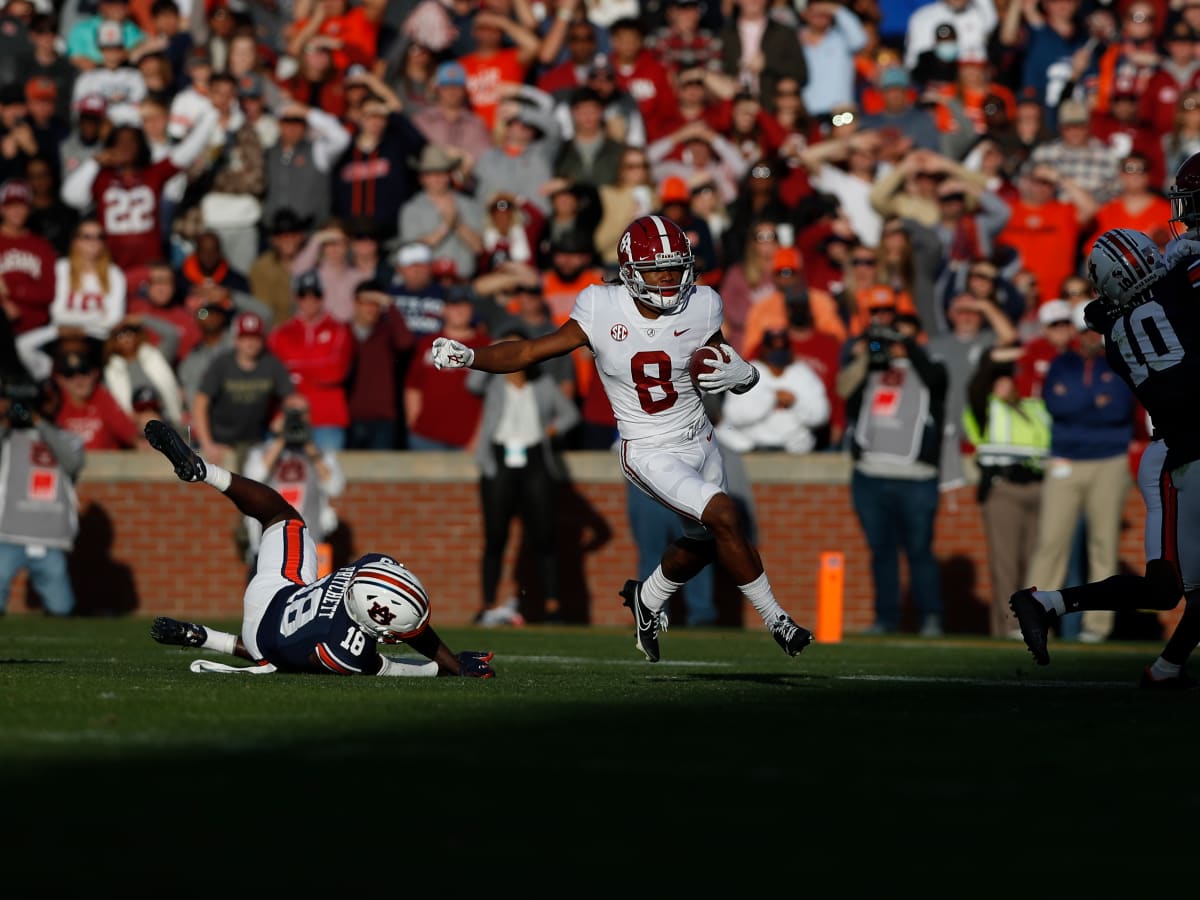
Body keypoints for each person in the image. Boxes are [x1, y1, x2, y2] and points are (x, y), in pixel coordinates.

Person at [431, 214, 813, 662]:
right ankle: (778, 620)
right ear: (631, 273)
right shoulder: (600, 305)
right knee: (724, 514)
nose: (669, 278)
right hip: (648, 448)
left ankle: (646, 600)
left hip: (702, 439)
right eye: (657, 270)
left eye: (675, 266)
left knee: (705, 541)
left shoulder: (704, 302)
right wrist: (473, 356)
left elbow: (721, 365)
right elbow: (534, 349)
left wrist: (744, 374)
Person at [144, 419, 495, 678]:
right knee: (274, 651)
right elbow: (404, 668)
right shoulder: (345, 654)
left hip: (276, 586)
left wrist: (448, 662)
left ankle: (205, 471)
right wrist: (450, 667)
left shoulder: (369, 566)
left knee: (282, 516)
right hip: (259, 638)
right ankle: (204, 636)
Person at [1011, 225, 1200, 688]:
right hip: (1186, 453)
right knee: (1178, 590)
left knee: (1165, 589)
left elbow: (1114, 309)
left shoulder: (1115, 335)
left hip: (1176, 447)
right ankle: (1166, 669)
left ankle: (1056, 606)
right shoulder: (1177, 294)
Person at [838, 312, 949, 636]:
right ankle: (886, 618)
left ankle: (930, 616)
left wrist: (906, 344)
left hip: (916, 476)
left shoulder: (932, 368)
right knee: (881, 553)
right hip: (870, 475)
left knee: (919, 551)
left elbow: (936, 381)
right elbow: (844, 389)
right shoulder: (872, 368)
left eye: (903, 336)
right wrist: (864, 356)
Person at [466, 322, 580, 625]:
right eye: (507, 348)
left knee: (544, 535)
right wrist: (491, 354)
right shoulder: (492, 382)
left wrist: (549, 432)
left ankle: (553, 607)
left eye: (516, 348)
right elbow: (471, 384)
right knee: (495, 536)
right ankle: (488, 605)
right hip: (499, 458)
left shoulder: (542, 384)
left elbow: (570, 414)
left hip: (534, 459)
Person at [0, 364, 86, 617]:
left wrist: (38, 421)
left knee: (61, 608)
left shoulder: (68, 438)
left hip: (50, 534)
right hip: (9, 532)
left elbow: (73, 461)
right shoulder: (9, 437)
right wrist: (5, 418)